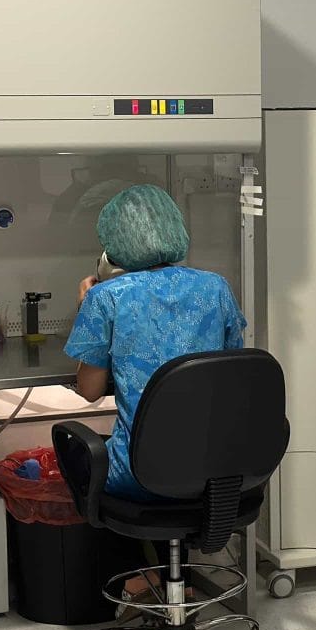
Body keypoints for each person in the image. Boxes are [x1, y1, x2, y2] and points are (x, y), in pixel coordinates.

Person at [61, 184, 245, 592]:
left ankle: (137, 577)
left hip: (144, 473)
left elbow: (89, 390)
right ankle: (173, 580)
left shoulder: (106, 297)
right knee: (168, 451)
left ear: (112, 248)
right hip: (220, 467)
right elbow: (231, 367)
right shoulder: (216, 287)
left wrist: (86, 306)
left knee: (84, 454)